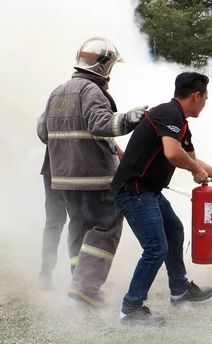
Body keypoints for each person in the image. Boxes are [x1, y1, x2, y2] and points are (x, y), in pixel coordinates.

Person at [111, 72, 212, 326]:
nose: (205, 102)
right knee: (156, 248)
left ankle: (179, 289)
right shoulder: (169, 114)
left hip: (148, 191)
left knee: (174, 231)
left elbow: (194, 160)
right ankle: (131, 309)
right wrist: (195, 170)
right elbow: (173, 154)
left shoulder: (180, 122)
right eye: (206, 97)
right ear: (196, 96)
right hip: (134, 190)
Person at [37, 37, 148, 308]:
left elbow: (43, 132)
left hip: (63, 179)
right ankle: (86, 287)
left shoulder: (58, 91)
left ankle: (79, 278)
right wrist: (132, 117)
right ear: (104, 66)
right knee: (105, 226)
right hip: (94, 177)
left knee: (79, 226)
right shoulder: (91, 91)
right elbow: (101, 123)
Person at [37, 147, 67, 290]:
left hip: (54, 166)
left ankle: (45, 273)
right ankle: (83, 278)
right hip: (77, 168)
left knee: (54, 222)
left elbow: (42, 133)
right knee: (80, 222)